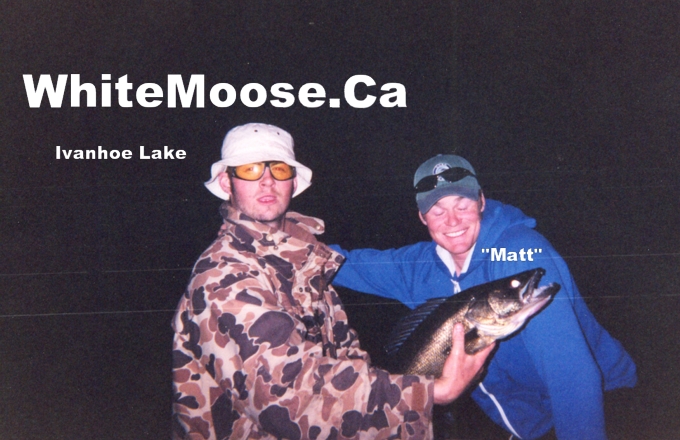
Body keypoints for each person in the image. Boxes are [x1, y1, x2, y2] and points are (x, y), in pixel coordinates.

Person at [172, 125, 494, 440]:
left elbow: (347, 361)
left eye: (279, 169)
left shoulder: (304, 259)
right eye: (250, 169)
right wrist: (432, 392)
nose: (267, 180)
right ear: (227, 182)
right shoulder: (224, 275)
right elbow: (290, 405)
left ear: (293, 182)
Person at [331, 154, 638, 440]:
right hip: (532, 425)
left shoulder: (519, 253)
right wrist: (296, 238)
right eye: (437, 211)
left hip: (599, 408)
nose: (452, 221)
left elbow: (570, 372)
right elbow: (340, 263)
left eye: (462, 205)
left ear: (481, 201)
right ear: (423, 217)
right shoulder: (417, 268)